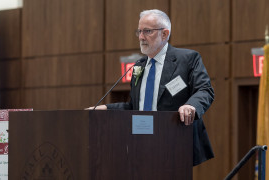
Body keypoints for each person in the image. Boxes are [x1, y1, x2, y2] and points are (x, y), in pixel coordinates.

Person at [87, 9, 214, 166]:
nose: (141, 37)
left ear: (164, 34)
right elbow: (134, 107)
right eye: (139, 31)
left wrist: (190, 105)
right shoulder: (138, 66)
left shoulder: (187, 59)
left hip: (174, 142)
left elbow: (205, 90)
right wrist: (105, 109)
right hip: (141, 143)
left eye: (147, 31)